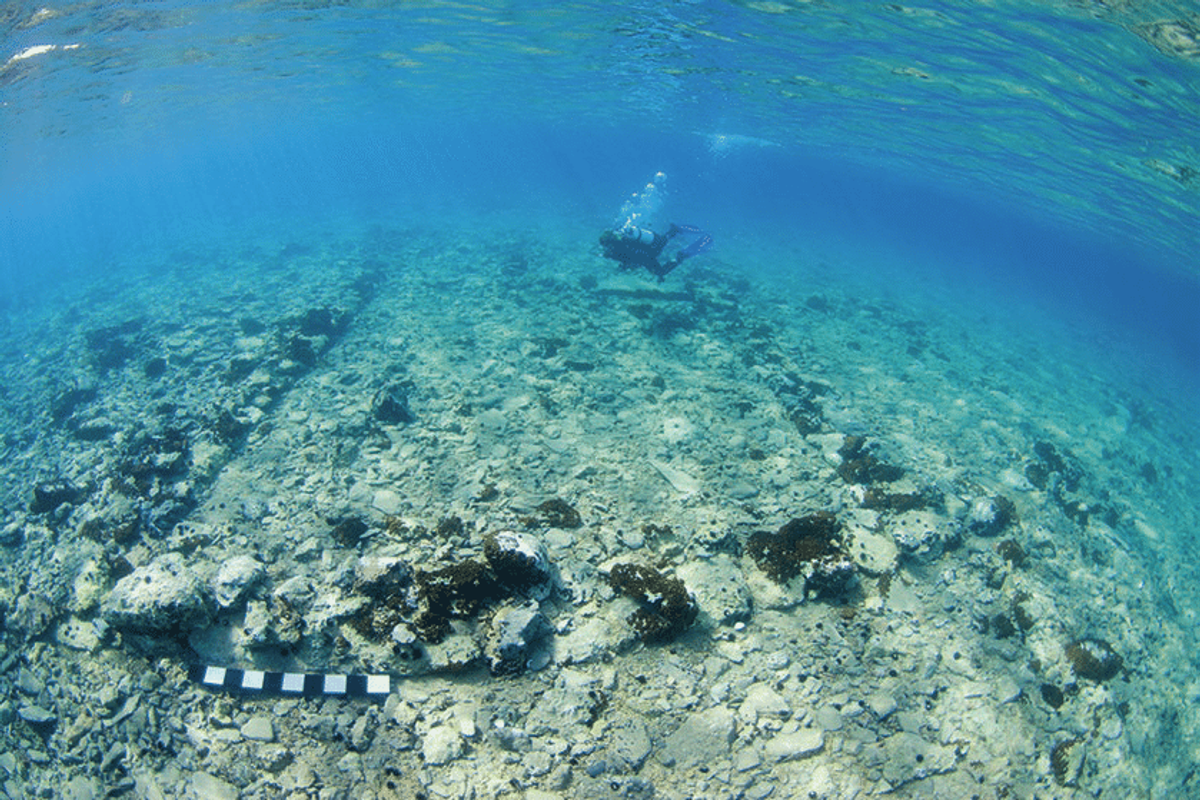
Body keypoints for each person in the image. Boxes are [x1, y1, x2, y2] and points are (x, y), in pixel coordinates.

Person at [599, 222, 712, 281]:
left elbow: (633, 258)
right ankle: (675, 230)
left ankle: (680, 256)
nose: (606, 250)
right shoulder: (621, 240)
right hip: (650, 246)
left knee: (660, 272)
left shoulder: (617, 250)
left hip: (648, 253)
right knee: (663, 240)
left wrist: (628, 265)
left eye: (607, 247)